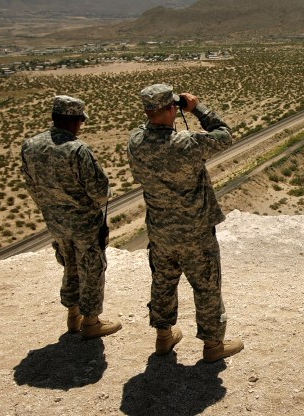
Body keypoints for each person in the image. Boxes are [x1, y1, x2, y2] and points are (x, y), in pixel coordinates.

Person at [128, 84, 244, 362]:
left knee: (163, 283)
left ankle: (164, 337)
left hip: (160, 230)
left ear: (147, 111)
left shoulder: (135, 142)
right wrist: (197, 109)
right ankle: (213, 345)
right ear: (172, 109)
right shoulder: (187, 143)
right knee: (206, 286)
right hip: (195, 232)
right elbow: (224, 135)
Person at [21, 95, 122, 340]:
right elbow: (100, 193)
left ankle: (72, 315)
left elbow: (31, 184)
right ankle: (91, 321)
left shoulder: (31, 145)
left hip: (55, 222)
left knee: (69, 265)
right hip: (84, 224)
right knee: (92, 269)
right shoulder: (77, 149)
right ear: (76, 121)